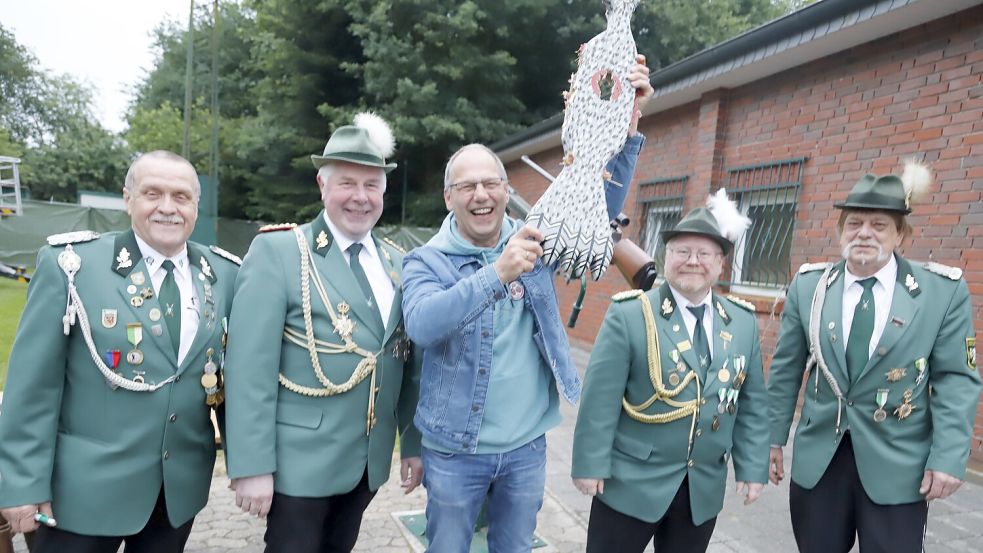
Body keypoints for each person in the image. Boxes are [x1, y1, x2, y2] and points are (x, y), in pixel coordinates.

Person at [400, 57, 653, 553]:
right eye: (467, 186)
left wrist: (626, 125)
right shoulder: (424, 260)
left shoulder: (537, 238)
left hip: (526, 449)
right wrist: (497, 274)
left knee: (515, 548)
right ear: (448, 197)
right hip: (454, 451)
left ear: (506, 189)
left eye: (491, 183)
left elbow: (596, 206)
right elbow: (423, 326)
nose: (481, 195)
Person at [0, 151, 239, 553]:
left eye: (181, 196)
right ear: (128, 199)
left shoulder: (225, 275)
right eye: (152, 193)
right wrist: (20, 483)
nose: (167, 207)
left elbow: (234, 382)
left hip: (175, 494)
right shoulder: (72, 266)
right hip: (82, 494)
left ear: (196, 206)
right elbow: (32, 389)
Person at [223, 113, 422, 553]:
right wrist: (251, 466)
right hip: (298, 464)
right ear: (322, 185)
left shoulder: (399, 262)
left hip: (366, 461)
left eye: (372, 186)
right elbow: (248, 369)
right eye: (347, 183)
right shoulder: (279, 252)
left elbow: (408, 363)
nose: (360, 197)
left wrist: (412, 442)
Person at [767, 160, 981, 553]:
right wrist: (771, 439)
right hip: (820, 462)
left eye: (879, 225)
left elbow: (956, 379)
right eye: (854, 223)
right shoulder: (810, 287)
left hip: (899, 465)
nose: (865, 233)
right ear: (840, 231)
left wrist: (949, 457)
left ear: (900, 233)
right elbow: (785, 370)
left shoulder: (940, 292)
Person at [571, 190, 769, 552]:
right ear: (666, 257)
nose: (692, 261)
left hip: (701, 489)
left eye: (704, 253)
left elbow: (752, 403)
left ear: (721, 263)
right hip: (630, 482)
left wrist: (753, 467)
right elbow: (600, 399)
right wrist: (589, 463)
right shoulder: (631, 314)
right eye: (682, 251)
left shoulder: (741, 322)